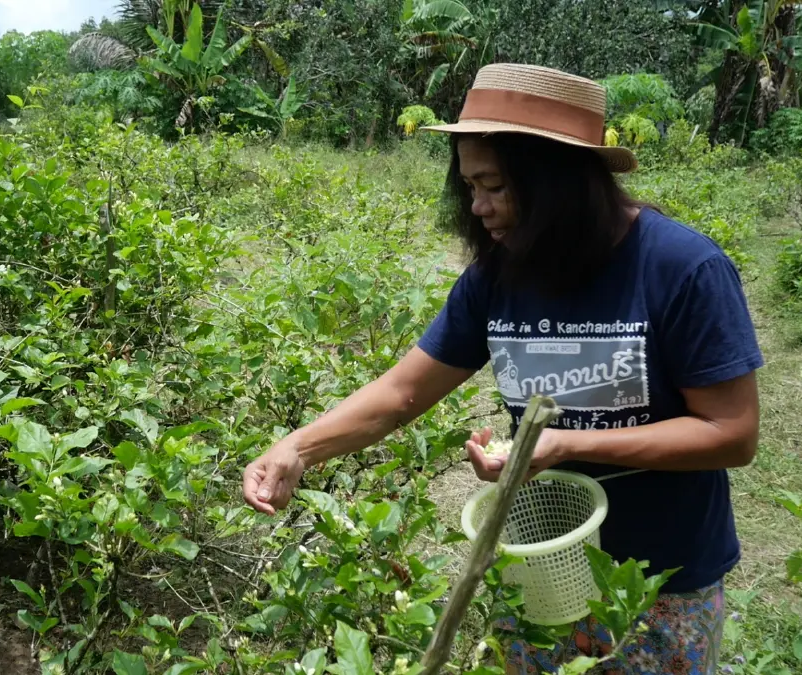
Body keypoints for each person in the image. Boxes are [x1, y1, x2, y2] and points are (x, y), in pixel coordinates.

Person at [240, 63, 763, 674]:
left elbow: (731, 433)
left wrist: (560, 444)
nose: (477, 207)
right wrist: (298, 448)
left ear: (558, 180)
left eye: (494, 185)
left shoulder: (682, 269)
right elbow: (403, 393)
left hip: (657, 582)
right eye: (468, 186)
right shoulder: (498, 276)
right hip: (535, 568)